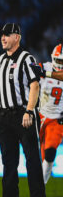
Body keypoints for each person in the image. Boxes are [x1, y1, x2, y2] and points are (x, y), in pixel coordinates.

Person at [0, 23, 46, 197]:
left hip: (22, 113)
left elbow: (34, 85)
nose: (3, 38)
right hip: (4, 115)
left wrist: (29, 110)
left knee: (32, 157)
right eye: (2, 35)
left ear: (17, 37)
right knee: (8, 160)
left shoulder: (27, 58)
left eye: (7, 35)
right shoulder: (0, 60)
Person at [34, 44, 63, 184]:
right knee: (36, 151)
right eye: (59, 61)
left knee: (50, 152)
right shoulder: (44, 66)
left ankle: (41, 185)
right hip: (40, 115)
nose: (60, 64)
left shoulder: (46, 71)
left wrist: (44, 73)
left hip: (57, 119)